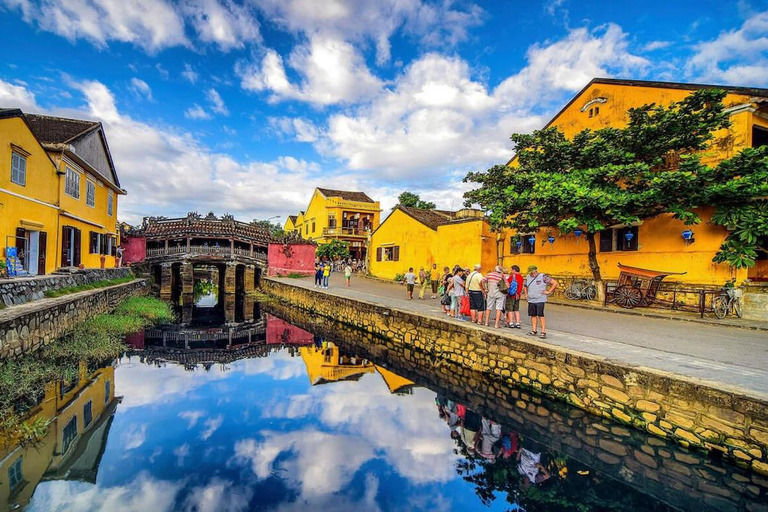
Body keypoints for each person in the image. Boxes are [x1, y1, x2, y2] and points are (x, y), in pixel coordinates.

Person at [522, 265, 558, 339]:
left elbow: (555, 283)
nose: (531, 274)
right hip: (531, 299)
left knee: (540, 315)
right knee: (533, 315)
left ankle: (543, 331)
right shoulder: (528, 277)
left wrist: (548, 291)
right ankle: (534, 330)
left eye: (532, 272)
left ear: (535, 271)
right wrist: (526, 294)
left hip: (540, 299)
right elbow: (525, 285)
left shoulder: (543, 276)